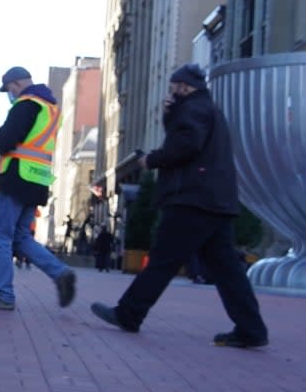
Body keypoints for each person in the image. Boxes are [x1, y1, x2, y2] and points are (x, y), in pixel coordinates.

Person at [91, 64, 268, 347]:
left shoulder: (192, 109)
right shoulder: (207, 109)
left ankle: (129, 314)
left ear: (184, 87)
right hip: (215, 200)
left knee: (163, 261)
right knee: (227, 270)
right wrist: (170, 116)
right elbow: (188, 138)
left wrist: (153, 159)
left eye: (173, 89)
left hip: (192, 199)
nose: (170, 94)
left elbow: (186, 143)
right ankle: (252, 328)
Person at [0, 66, 77, 311]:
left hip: (14, 178)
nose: (10, 94)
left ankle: (4, 295)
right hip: (37, 181)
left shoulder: (25, 104)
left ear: (16, 84)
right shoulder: (51, 109)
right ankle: (60, 273)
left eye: (9, 89)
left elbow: (8, 139)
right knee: (20, 237)